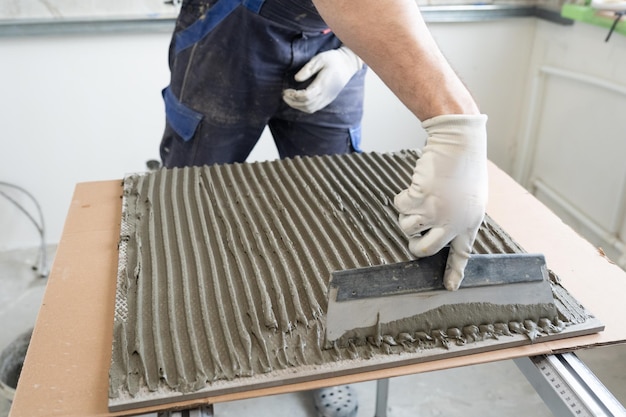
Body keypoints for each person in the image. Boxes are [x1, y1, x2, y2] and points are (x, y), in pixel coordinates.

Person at [159, 0, 487, 416]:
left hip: (335, 33)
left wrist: (352, 57)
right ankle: (180, 371)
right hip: (230, 26)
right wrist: (457, 123)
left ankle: (328, 363)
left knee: (336, 213)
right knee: (190, 204)